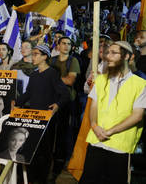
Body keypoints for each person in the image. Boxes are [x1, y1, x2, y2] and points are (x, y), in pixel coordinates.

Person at [80, 41, 146, 184]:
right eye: (108, 52)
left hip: (120, 146)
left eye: (114, 53)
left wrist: (110, 132)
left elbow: (137, 115)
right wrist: (94, 125)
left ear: (128, 56)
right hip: (96, 140)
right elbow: (94, 106)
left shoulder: (141, 84)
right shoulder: (101, 79)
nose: (108, 56)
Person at [12, 45, 70, 183]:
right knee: (33, 148)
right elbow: (28, 94)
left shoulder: (52, 74)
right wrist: (16, 102)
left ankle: (43, 177)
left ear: (45, 57)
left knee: (45, 149)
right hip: (33, 117)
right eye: (33, 54)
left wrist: (57, 105)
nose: (33, 57)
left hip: (46, 118)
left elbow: (65, 94)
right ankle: (31, 176)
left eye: (36, 54)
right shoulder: (34, 75)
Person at [49, 36, 81, 180]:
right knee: (50, 133)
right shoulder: (52, 60)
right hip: (52, 100)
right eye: (63, 43)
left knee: (63, 133)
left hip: (67, 101)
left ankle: (60, 163)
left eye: (69, 44)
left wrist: (53, 79)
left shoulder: (73, 61)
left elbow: (70, 80)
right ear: (58, 45)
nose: (66, 46)